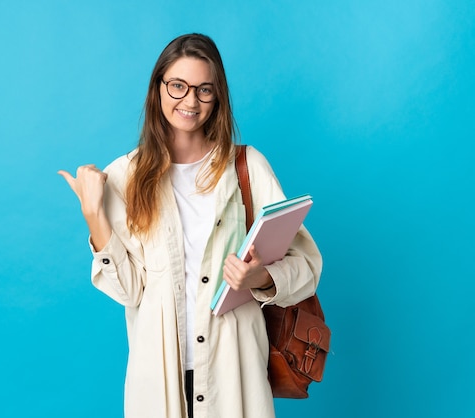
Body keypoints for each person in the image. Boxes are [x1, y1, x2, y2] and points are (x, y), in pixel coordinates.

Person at [59, 33, 322, 418]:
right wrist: (94, 215)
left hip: (234, 374)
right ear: (158, 88)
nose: (190, 101)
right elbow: (130, 292)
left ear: (218, 97)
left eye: (204, 90)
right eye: (178, 86)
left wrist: (259, 278)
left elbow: (308, 267)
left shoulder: (247, 168)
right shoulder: (125, 177)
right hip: (158, 380)